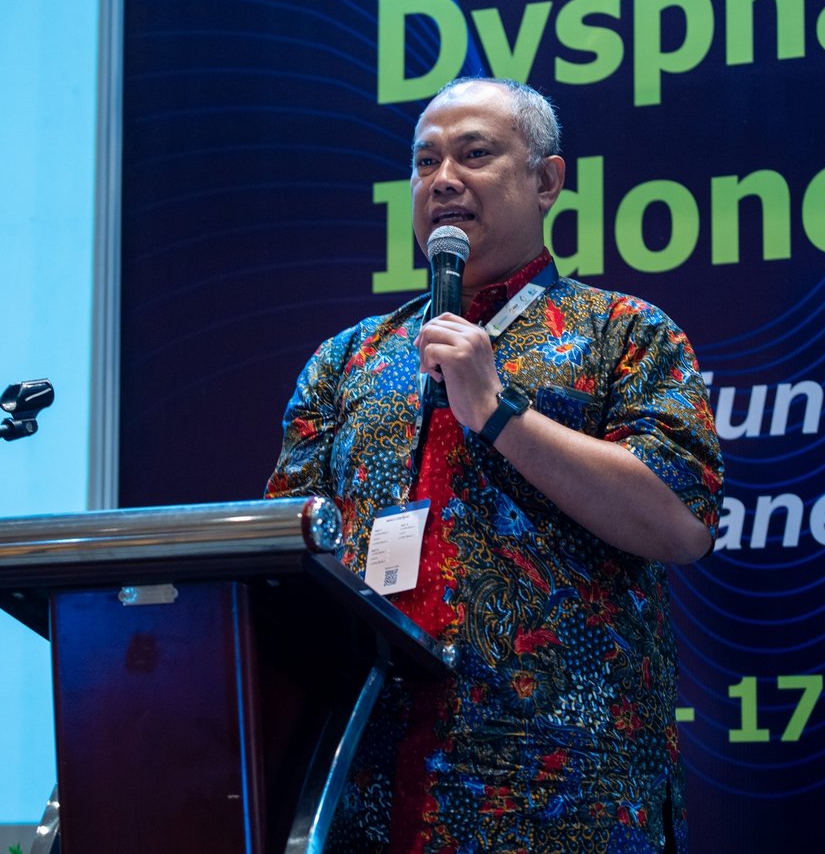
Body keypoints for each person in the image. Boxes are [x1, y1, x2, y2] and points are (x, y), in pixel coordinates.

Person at [266, 77, 723, 853]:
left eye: (474, 155)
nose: (444, 180)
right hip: (365, 793)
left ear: (547, 180)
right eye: (426, 162)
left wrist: (499, 411)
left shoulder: (625, 333)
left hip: (566, 800)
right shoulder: (348, 360)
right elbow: (287, 556)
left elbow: (682, 521)